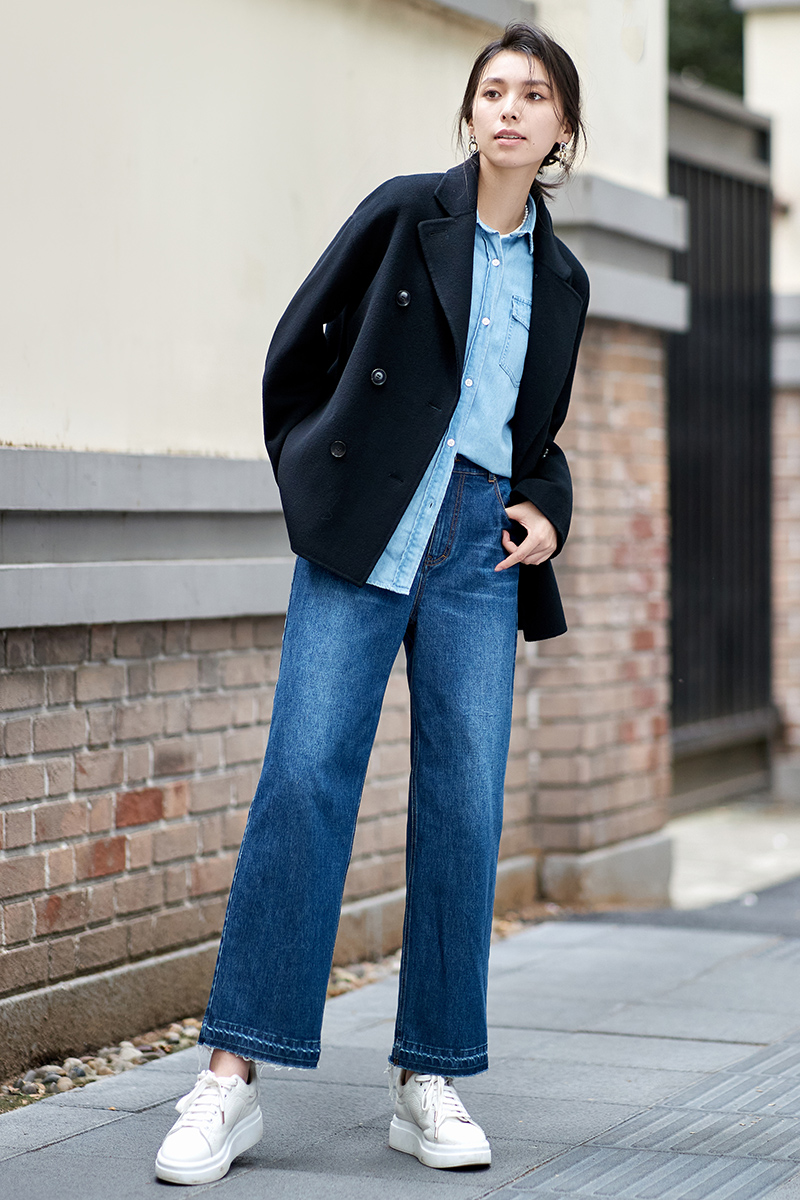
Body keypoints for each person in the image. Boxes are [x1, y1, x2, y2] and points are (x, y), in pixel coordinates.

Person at [155, 21, 588, 1185]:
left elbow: (533, 430)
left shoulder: (562, 279)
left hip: (477, 549)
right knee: (304, 777)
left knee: (463, 803)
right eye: (492, 91)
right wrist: (314, 480)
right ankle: (229, 1078)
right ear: (469, 114)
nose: (509, 108)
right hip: (367, 526)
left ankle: (427, 1078)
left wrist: (545, 506)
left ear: (559, 127)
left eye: (533, 95)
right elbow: (296, 354)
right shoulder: (405, 214)